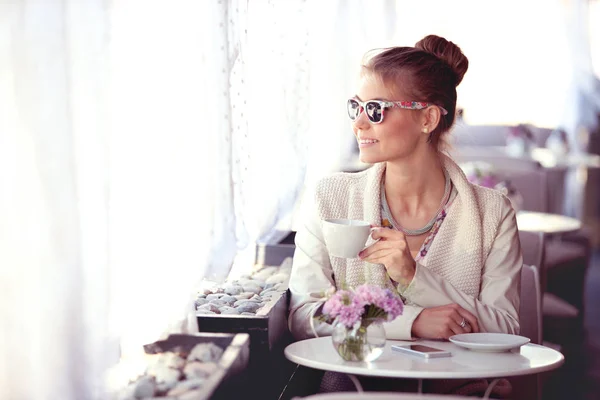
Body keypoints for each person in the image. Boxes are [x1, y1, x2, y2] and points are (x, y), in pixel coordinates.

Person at [287, 35, 522, 396]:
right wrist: (411, 322)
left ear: (427, 117)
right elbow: (304, 316)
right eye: (356, 107)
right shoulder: (330, 197)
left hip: (461, 389)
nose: (360, 124)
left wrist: (414, 277)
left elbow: (505, 328)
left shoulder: (493, 213)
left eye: (377, 109)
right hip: (354, 388)